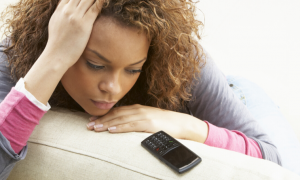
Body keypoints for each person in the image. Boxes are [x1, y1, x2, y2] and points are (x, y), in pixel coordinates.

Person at [0, 0, 299, 178]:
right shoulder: (18, 58)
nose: (113, 87)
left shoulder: (184, 62)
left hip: (241, 93)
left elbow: (269, 159)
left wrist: (187, 125)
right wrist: (54, 56)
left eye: (133, 70)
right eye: (95, 64)